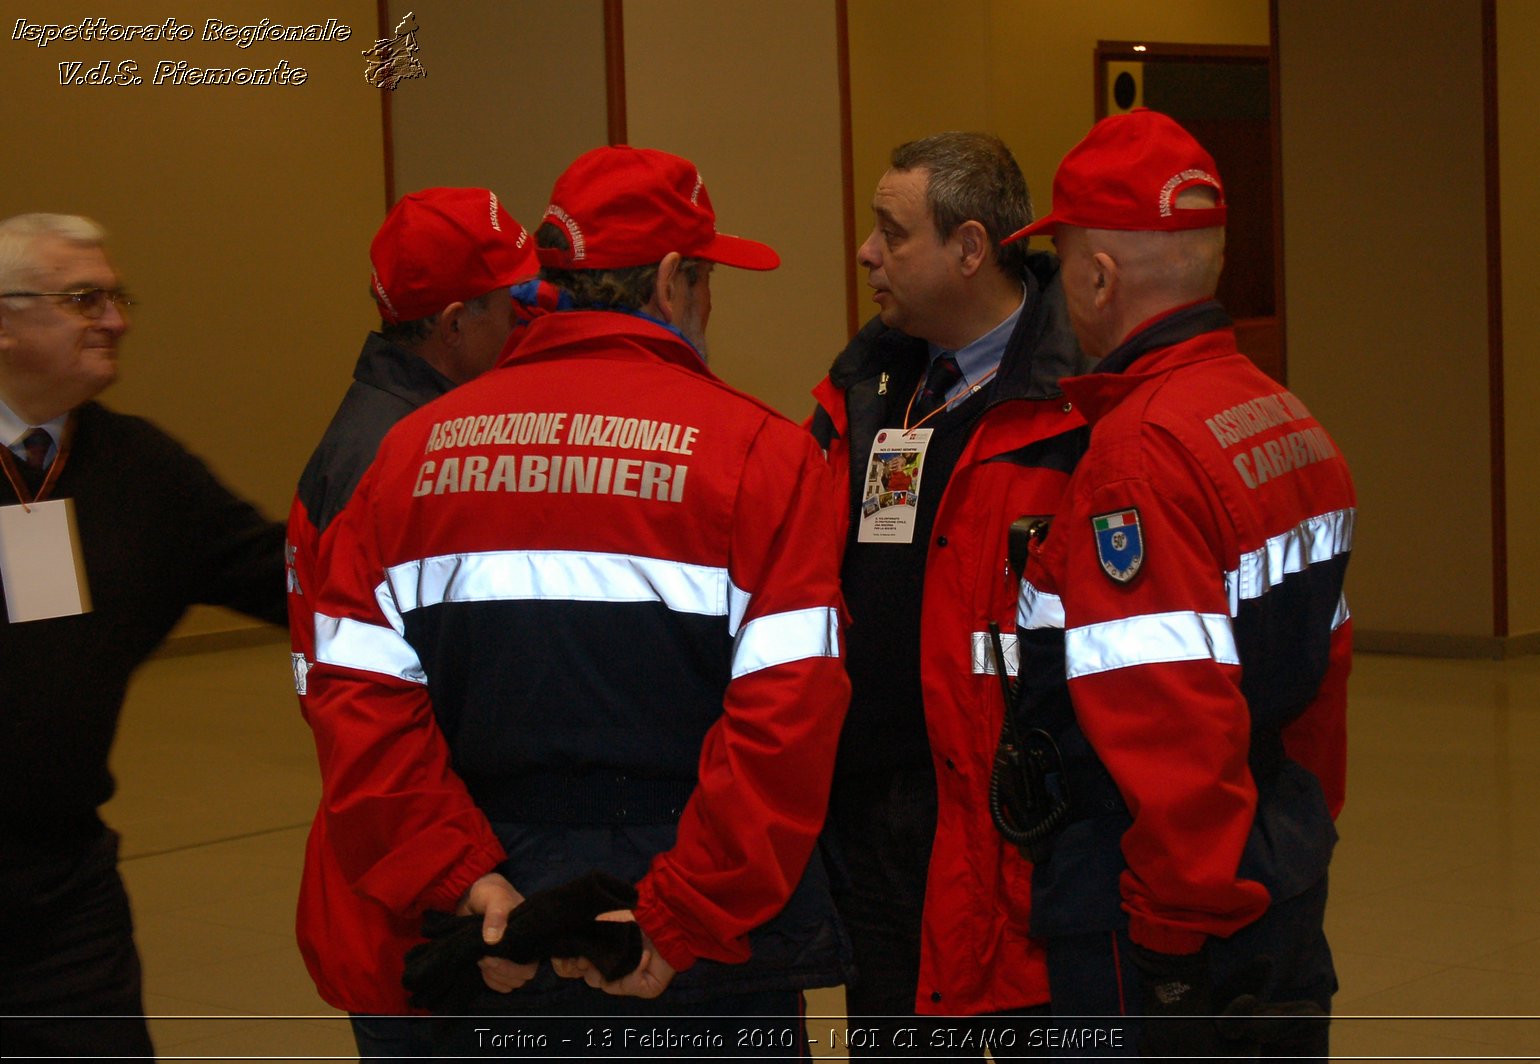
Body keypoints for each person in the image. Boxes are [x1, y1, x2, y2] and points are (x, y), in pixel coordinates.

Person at [306, 145, 850, 1053]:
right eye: (708, 277)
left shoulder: (409, 457)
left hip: (495, 923)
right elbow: (787, 720)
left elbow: (354, 699)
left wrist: (467, 884)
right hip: (684, 927)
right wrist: (681, 917)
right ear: (674, 281)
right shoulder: (761, 457)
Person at [1006, 108, 1356, 1060]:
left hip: (1163, 908)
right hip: (1277, 856)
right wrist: (1297, 827)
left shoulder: (1139, 457)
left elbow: (1164, 712)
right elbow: (1326, 670)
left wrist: (1169, 934)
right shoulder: (1285, 419)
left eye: (1064, 259)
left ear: (1099, 274)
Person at [806, 132, 1086, 1046]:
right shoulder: (870, 383)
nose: (866, 252)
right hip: (878, 819)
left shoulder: (1072, 396)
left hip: (1018, 816)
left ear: (971, 249)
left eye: (891, 231)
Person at [0, 213, 287, 1058]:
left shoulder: (142, 472)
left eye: (116, 297)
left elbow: (293, 578)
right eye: (83, 300)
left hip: (62, 895)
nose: (117, 320)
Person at [286, 187, 544, 1060]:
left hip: (399, 857)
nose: (523, 320)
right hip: (417, 885)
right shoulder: (403, 460)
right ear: (453, 322)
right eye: (507, 303)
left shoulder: (380, 425)